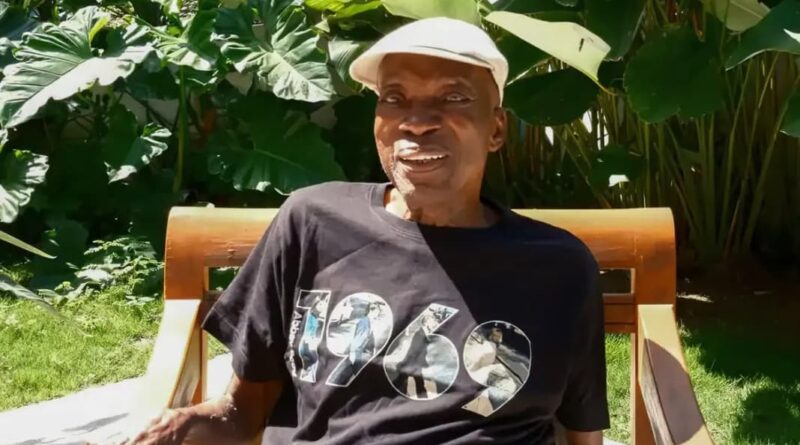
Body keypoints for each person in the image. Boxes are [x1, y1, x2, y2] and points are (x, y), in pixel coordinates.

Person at [120, 16, 608, 445]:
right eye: (395, 98)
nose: (417, 122)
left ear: (496, 129)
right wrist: (181, 424)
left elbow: (583, 432)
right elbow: (243, 409)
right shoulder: (313, 222)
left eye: (454, 97)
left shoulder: (557, 267)